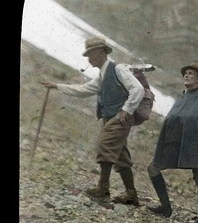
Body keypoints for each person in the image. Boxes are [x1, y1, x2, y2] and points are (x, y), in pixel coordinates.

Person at [41, 37, 144, 205]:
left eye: (92, 54)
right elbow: (84, 89)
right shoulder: (102, 75)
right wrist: (57, 86)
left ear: (103, 52)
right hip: (112, 117)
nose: (89, 59)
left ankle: (103, 188)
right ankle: (131, 194)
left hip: (120, 116)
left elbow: (137, 89)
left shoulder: (118, 69)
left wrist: (127, 109)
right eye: (88, 55)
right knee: (120, 154)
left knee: (105, 144)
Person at [147, 62, 198, 223]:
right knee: (153, 168)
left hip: (196, 147)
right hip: (175, 144)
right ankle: (166, 207)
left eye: (191, 73)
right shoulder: (181, 98)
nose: (187, 75)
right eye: (185, 73)